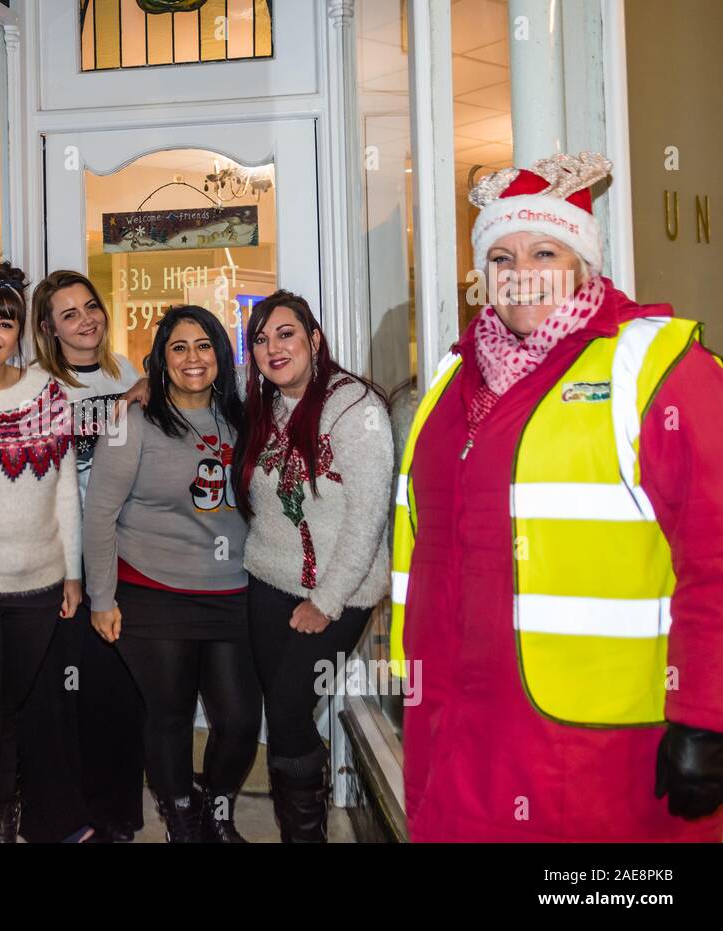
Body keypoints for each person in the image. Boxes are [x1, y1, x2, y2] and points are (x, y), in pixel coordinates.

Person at [394, 152, 723, 841]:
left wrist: (706, 710)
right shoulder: (450, 388)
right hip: (459, 741)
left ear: (584, 264)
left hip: (602, 760)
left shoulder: (653, 368)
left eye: (545, 249)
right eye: (502, 257)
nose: (523, 273)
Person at [83, 305, 260, 843]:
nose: (192, 358)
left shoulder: (245, 418)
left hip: (231, 589)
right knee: (170, 715)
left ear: (221, 355)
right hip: (153, 590)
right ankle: (182, 815)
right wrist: (102, 598)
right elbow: (100, 514)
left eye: (203, 345)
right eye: (178, 347)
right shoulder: (132, 422)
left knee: (238, 720)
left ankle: (218, 805)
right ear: (161, 358)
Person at [233, 291, 393, 842]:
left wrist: (325, 603)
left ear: (314, 340)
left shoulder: (356, 410)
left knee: (288, 707)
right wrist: (141, 387)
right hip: (267, 582)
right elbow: (190, 379)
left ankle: (306, 836)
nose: (273, 348)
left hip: (339, 593)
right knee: (283, 717)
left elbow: (368, 517)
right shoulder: (266, 402)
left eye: (286, 334)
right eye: (261, 339)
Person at [0, 258, 85, 842]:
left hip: (40, 585)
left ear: (19, 332)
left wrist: (72, 574)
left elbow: (65, 492)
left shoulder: (47, 392)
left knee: (10, 713)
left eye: (4, 324)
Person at [19, 269, 146, 843]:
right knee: (62, 698)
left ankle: (118, 816)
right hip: (65, 561)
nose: (85, 320)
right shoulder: (37, 386)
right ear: (48, 327)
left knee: (118, 694)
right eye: (68, 314)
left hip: (125, 557)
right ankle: (65, 821)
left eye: (90, 306)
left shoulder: (130, 373)